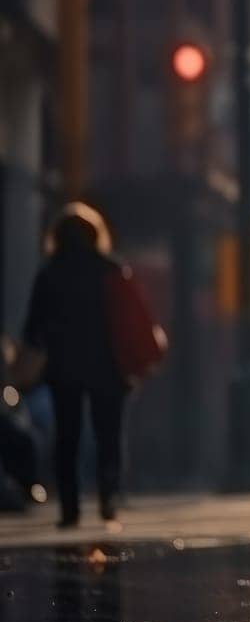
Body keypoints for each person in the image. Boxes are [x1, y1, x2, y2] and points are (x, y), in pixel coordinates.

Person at [20, 203, 131, 528]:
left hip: (64, 367)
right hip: (109, 366)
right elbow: (127, 321)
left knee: (67, 436)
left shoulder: (50, 273)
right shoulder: (110, 269)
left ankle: (70, 508)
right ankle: (108, 497)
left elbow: (32, 328)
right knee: (108, 434)